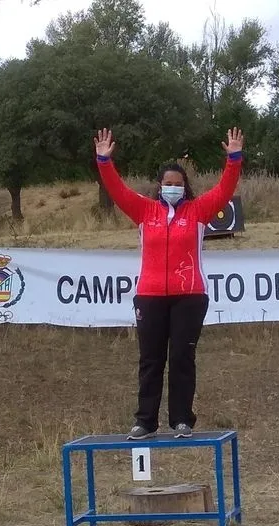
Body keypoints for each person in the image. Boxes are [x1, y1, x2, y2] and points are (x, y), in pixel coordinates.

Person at [94, 127, 244, 440]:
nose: (172, 188)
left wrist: (233, 158)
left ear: (185, 187)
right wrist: (104, 162)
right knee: (150, 359)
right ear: (159, 187)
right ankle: (145, 421)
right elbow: (117, 189)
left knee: (181, 357)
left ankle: (181, 420)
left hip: (189, 296)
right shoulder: (144, 210)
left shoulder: (199, 210)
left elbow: (225, 189)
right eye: (167, 184)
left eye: (178, 184)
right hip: (149, 296)